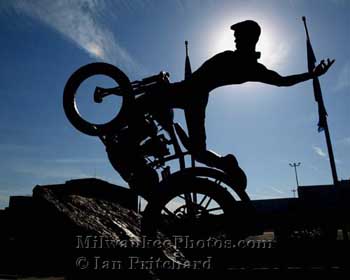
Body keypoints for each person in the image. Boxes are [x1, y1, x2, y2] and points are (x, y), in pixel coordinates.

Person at [108, 20, 334, 195]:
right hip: (195, 97)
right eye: (234, 35)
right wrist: (312, 74)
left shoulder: (249, 66)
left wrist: (312, 74)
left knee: (144, 101)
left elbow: (281, 80)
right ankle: (225, 163)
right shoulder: (244, 62)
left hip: (188, 93)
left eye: (238, 36)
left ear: (249, 38)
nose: (234, 39)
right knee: (197, 151)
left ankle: (137, 140)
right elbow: (280, 80)